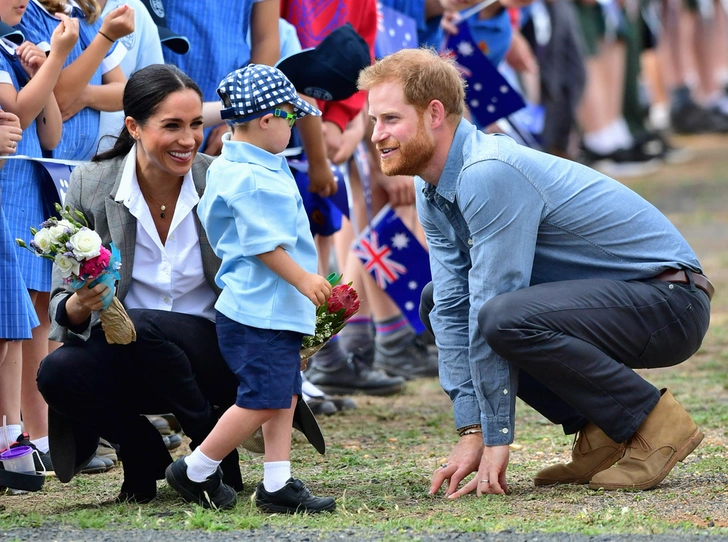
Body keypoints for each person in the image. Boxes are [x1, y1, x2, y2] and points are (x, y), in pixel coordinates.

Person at [359, 47, 712, 496]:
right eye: (374, 121)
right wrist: (472, 429)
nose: (376, 135)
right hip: (628, 298)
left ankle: (654, 424)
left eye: (390, 119)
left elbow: (492, 305)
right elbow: (451, 307)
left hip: (670, 301)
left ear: (434, 114)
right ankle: (601, 431)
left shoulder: (487, 172)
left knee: (501, 317)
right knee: (439, 300)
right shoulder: (432, 190)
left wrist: (496, 438)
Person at [35, 64, 244, 503]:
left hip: (213, 355)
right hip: (129, 351)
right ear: (133, 126)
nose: (188, 140)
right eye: (172, 126)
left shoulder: (222, 179)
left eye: (195, 125)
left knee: (147, 324)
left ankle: (210, 453)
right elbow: (59, 301)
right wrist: (78, 305)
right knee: (57, 372)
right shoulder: (91, 184)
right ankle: (142, 453)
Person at [165, 64, 336, 514]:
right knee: (263, 397)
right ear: (266, 120)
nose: (293, 128)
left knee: (283, 392)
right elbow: (264, 245)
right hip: (262, 307)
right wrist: (303, 279)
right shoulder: (252, 177)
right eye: (290, 119)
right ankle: (196, 468)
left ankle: (277, 482)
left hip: (268, 307)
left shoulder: (242, 161)